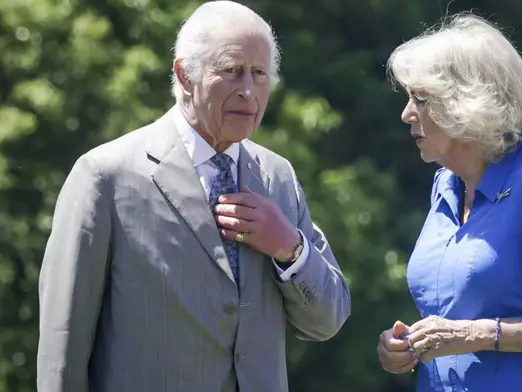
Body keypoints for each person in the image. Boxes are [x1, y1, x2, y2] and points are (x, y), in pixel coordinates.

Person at [36, 2, 351, 391]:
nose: (248, 91)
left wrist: (291, 248)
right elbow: (62, 344)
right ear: (185, 75)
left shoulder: (277, 177)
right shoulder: (106, 176)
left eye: (259, 73)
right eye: (232, 71)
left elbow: (327, 320)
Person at [376, 14, 522, 392]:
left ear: (466, 101)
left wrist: (480, 334)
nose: (406, 114)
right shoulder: (443, 185)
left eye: (420, 98)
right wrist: (402, 348)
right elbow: (450, 318)